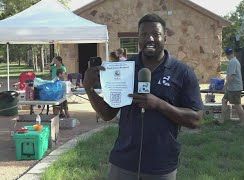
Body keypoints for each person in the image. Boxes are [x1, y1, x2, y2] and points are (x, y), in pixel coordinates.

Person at [83, 13, 203, 180]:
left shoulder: (182, 72)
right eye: (144, 34)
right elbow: (107, 114)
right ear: (138, 39)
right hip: (123, 164)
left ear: (165, 37)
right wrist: (89, 89)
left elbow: (196, 119)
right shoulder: (125, 69)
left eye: (156, 34)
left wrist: (159, 104)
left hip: (161, 166)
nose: (150, 38)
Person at [218, 48, 244, 126]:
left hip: (235, 87)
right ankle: (222, 120)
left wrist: (225, 86)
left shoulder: (233, 62)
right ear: (232, 53)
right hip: (231, 87)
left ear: (226, 55)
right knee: (224, 100)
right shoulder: (234, 61)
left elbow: (232, 76)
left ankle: (242, 122)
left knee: (237, 104)